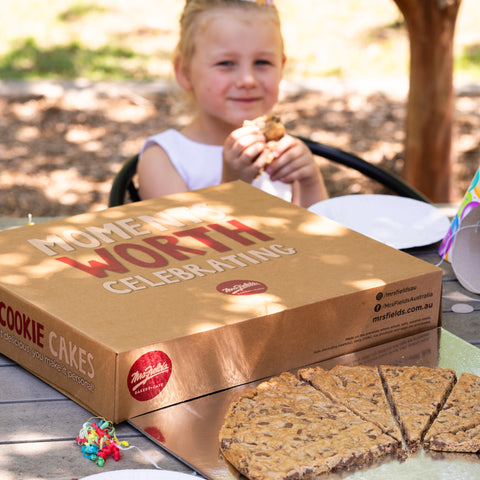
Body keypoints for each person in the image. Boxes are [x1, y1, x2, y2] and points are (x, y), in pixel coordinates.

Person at [138, 0, 328, 208]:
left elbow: (322, 234)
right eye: (226, 63)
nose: (248, 80)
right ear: (185, 72)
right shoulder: (162, 160)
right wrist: (232, 186)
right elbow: (186, 240)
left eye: (262, 62)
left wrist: (310, 181)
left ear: (281, 68)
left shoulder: (283, 152)